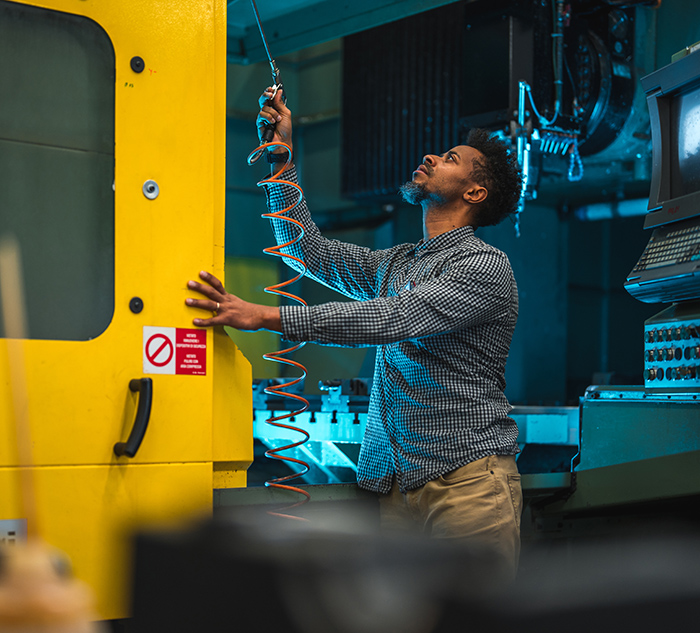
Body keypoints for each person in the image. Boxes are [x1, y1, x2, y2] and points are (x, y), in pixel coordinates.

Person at [186, 87, 524, 579]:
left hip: (467, 485)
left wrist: (265, 316)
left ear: (474, 193)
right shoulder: (400, 262)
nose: (431, 156)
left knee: (469, 620)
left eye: (450, 158)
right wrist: (282, 164)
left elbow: (390, 319)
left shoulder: (484, 266)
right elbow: (308, 253)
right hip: (397, 487)